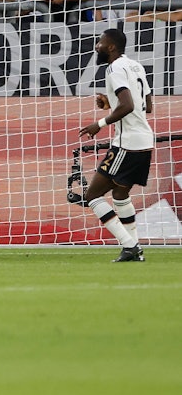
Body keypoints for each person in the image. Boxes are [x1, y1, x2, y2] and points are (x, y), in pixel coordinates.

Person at [79, 28, 154, 262]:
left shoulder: (114, 68)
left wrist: (99, 123)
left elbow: (129, 105)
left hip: (128, 143)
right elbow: (147, 105)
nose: (97, 46)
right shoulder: (135, 66)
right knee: (120, 194)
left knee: (92, 195)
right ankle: (134, 251)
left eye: (100, 42)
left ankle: (130, 245)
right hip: (144, 140)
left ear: (111, 47)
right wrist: (111, 102)